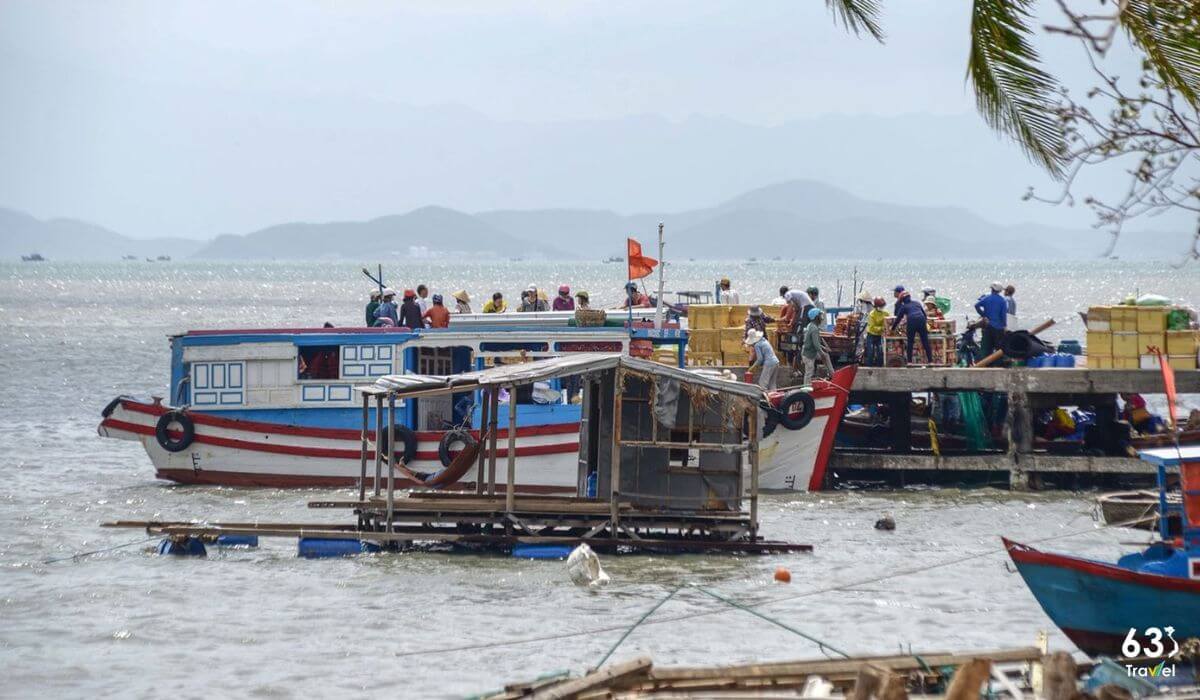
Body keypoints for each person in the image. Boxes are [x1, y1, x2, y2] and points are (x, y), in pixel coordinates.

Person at [891, 287, 932, 364]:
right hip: (921, 320)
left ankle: (909, 362)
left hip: (912, 321)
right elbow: (924, 315)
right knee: (925, 341)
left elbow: (898, 319)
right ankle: (930, 361)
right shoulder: (917, 303)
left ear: (902, 300)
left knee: (910, 342)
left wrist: (892, 328)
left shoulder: (904, 307)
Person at [974, 282, 1008, 356]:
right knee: (999, 349)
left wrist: (983, 314)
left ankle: (983, 364)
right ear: (999, 291)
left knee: (986, 348)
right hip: (998, 328)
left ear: (992, 289)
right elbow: (1003, 316)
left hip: (987, 326)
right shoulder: (1002, 301)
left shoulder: (986, 298)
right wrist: (1005, 326)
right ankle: (998, 363)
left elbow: (976, 305)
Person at [800, 308, 824, 385]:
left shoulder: (810, 325)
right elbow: (816, 344)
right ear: (816, 317)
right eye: (820, 315)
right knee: (809, 373)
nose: (822, 317)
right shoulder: (814, 329)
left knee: (808, 372)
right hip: (808, 355)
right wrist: (822, 353)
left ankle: (807, 387)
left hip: (806, 353)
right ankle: (806, 389)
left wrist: (823, 348)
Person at [864, 297, 887, 367]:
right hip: (871, 335)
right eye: (880, 306)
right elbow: (872, 327)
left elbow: (889, 321)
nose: (882, 308)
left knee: (880, 351)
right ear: (876, 307)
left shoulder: (885, 313)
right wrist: (882, 328)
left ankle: (880, 366)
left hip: (879, 336)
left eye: (882, 306)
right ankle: (869, 367)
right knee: (870, 352)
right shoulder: (872, 314)